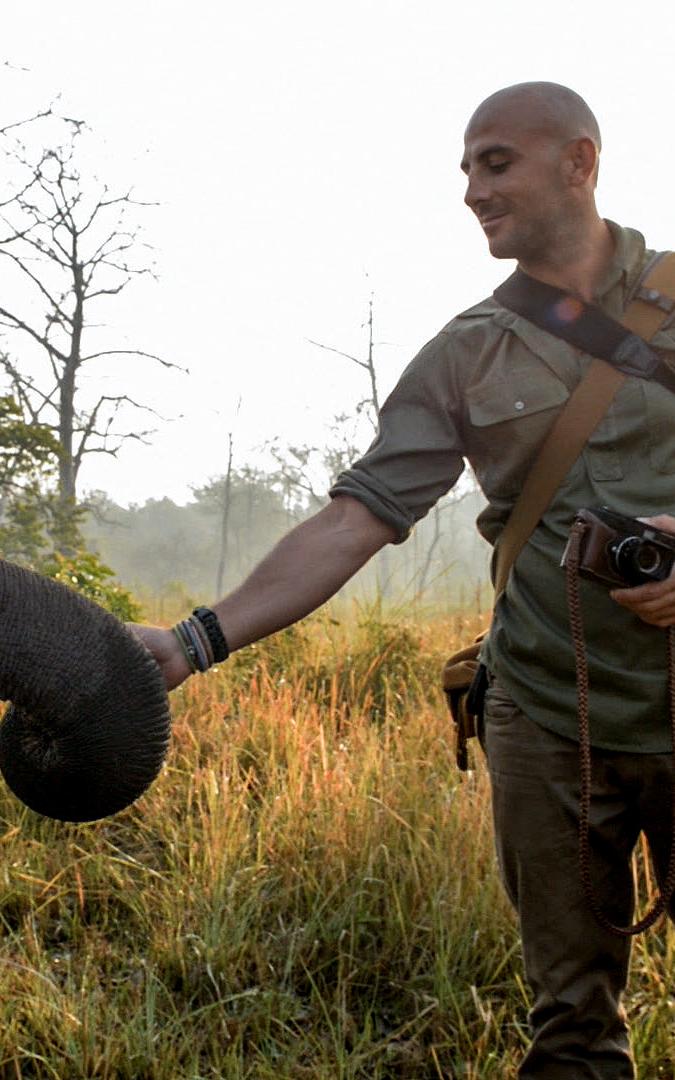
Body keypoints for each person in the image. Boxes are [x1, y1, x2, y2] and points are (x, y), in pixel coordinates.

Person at [133, 82, 675, 1079]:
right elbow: (355, 520)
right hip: (550, 716)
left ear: (581, 163)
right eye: (467, 167)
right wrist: (191, 640)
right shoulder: (464, 354)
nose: (472, 187)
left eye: (496, 161)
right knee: (572, 1029)